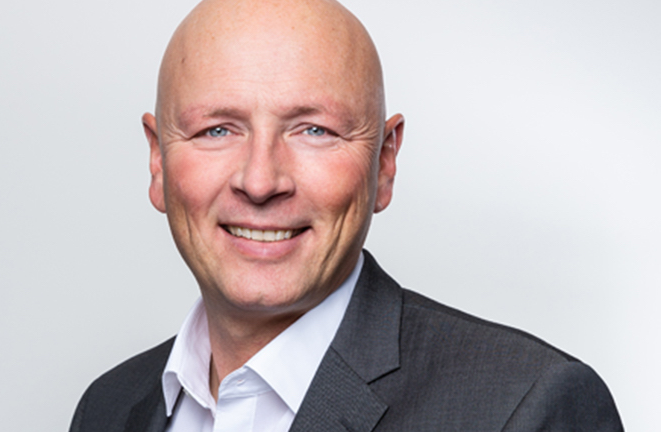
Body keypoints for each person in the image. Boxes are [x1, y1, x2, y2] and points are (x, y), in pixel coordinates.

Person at [69, 0, 623, 430]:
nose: (259, 181)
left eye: (314, 130)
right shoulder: (108, 409)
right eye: (217, 130)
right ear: (158, 162)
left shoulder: (528, 407)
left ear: (384, 163)